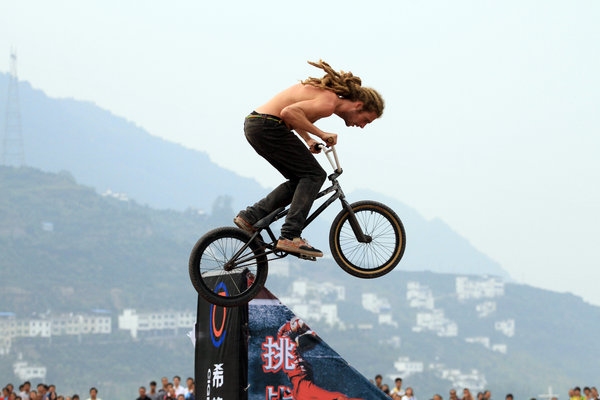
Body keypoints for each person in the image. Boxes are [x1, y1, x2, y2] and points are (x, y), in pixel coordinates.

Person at [234, 60, 384, 257]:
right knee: (314, 175)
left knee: (301, 179)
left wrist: (308, 139)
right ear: (358, 105)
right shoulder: (328, 103)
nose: (362, 126)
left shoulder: (326, 99)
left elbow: (293, 116)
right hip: (267, 126)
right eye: (365, 120)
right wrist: (321, 134)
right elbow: (288, 113)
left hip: (259, 125)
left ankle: (251, 216)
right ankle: (290, 235)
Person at [276, 316, 365, 400]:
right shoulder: (289, 350)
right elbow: (283, 333)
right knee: (340, 398)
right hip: (304, 390)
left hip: (302, 390)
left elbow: (284, 333)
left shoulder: (293, 354)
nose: (311, 347)